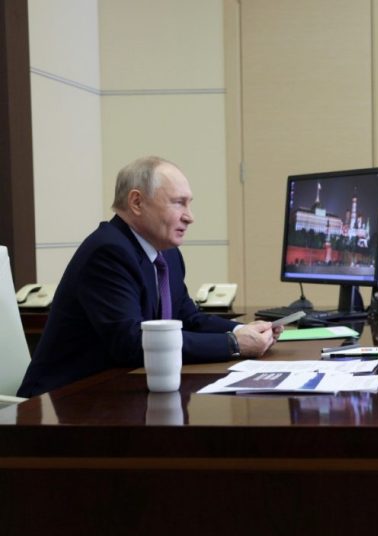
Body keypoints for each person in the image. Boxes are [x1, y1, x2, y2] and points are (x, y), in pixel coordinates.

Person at [18, 156, 281, 398]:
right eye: (178, 203)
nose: (190, 217)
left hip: (118, 391)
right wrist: (234, 344)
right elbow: (131, 343)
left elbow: (187, 319)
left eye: (189, 204)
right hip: (62, 401)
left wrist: (241, 330)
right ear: (136, 202)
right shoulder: (108, 252)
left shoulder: (167, 255)